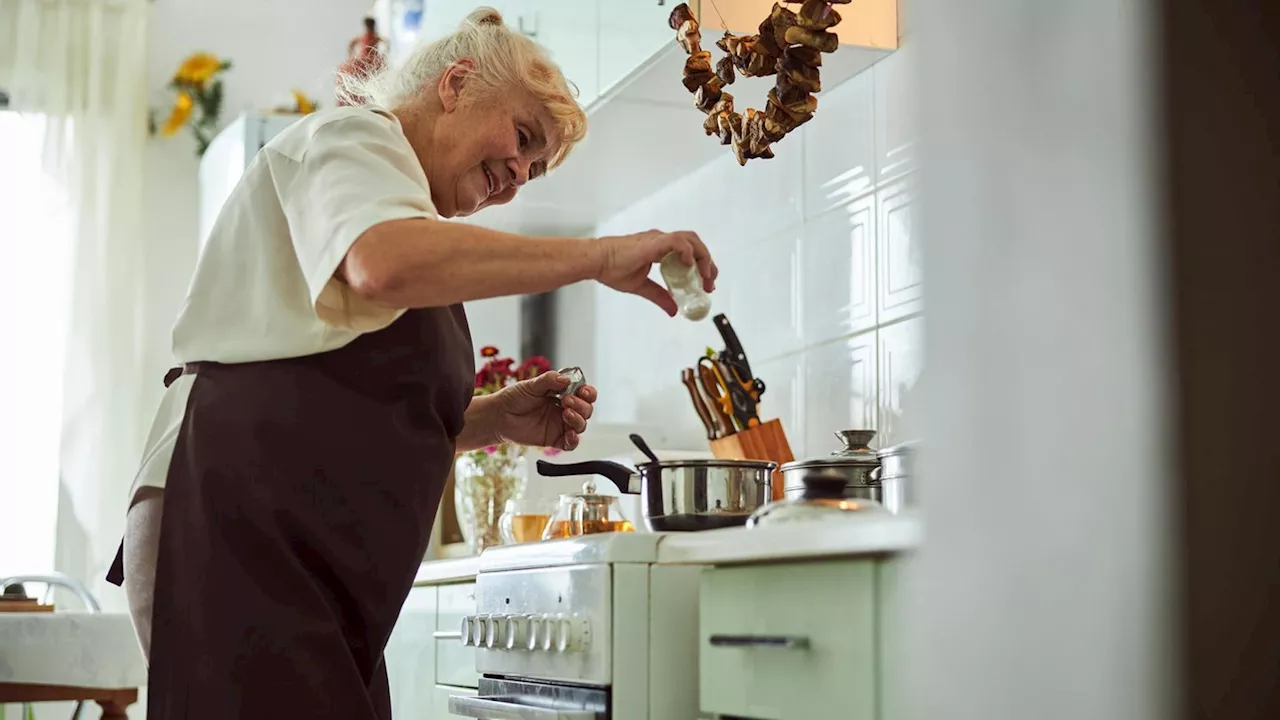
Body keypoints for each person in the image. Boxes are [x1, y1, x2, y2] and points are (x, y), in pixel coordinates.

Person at [105, 8, 717, 718]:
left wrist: (490, 418)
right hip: (236, 526)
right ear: (455, 84)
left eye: (536, 167)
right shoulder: (355, 139)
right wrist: (600, 255)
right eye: (523, 138)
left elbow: (344, 410)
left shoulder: (408, 222)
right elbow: (381, 267)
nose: (519, 174)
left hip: (300, 549)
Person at [338, 16, 388, 106]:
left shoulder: (370, 36)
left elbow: (352, 43)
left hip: (369, 60)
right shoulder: (370, 36)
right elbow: (385, 42)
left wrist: (351, 56)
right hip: (368, 60)